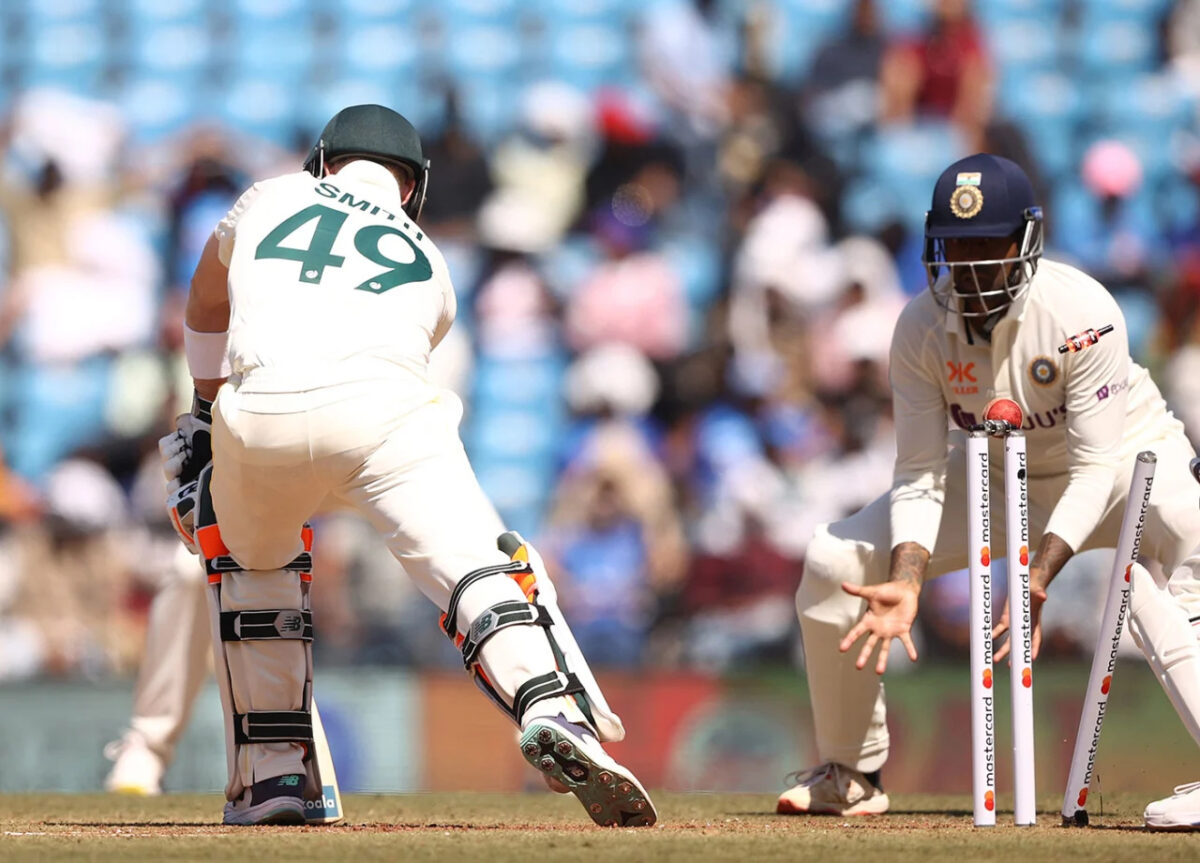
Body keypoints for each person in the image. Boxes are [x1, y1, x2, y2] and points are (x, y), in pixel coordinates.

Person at [160, 104, 656, 827]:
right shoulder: (431, 258)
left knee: (249, 560)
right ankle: (554, 707)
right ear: (413, 187)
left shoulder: (270, 196)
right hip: (386, 415)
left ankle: (274, 776)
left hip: (259, 408)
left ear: (321, 161)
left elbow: (205, 299)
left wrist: (203, 416)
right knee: (477, 566)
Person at [777, 153, 1200, 830]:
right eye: (956, 245)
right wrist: (907, 579)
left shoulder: (1083, 311)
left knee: (1183, 553)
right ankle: (850, 771)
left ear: (1024, 242)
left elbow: (1094, 467)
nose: (969, 265)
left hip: (1125, 466)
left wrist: (1038, 572)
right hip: (999, 478)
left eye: (987, 244)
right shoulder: (918, 329)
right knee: (833, 562)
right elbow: (919, 471)